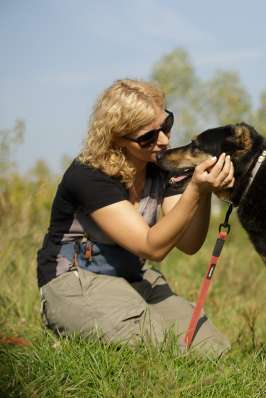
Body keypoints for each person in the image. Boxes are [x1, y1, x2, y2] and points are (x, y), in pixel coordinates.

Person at [36, 79, 233, 357]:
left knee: (213, 350)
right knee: (165, 347)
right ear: (117, 137)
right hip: (75, 279)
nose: (164, 141)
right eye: (148, 137)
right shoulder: (89, 175)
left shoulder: (162, 167)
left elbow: (189, 244)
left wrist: (205, 191)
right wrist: (195, 191)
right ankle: (64, 319)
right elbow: (152, 248)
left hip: (132, 278)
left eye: (166, 125)